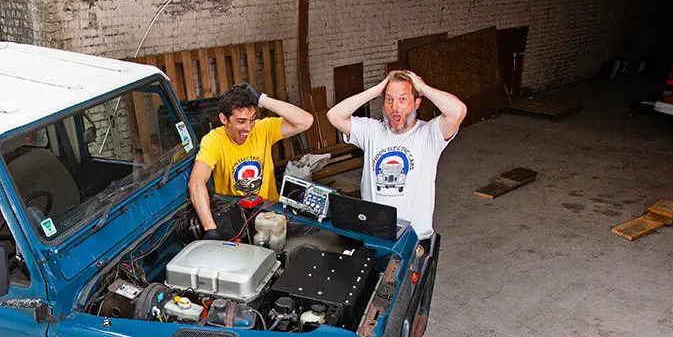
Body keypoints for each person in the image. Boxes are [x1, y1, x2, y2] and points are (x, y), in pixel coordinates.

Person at [327, 70, 466, 239]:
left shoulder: (430, 134)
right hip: (373, 234)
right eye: (389, 100)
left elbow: (458, 111)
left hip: (413, 238)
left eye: (403, 99)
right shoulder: (371, 131)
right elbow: (334, 116)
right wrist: (377, 90)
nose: (395, 107)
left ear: (417, 103)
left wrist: (422, 87)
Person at [188, 83, 314, 239]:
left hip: (270, 214)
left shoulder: (263, 129)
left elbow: (306, 121)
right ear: (224, 119)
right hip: (236, 218)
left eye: (252, 119)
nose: (248, 128)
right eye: (241, 121)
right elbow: (196, 183)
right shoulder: (213, 141)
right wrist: (211, 229)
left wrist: (262, 99)